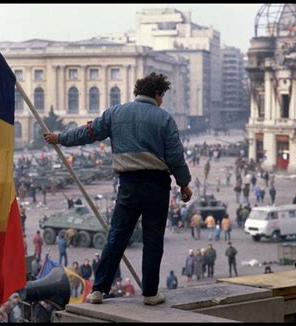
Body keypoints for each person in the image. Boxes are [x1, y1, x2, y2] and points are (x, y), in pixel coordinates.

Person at [44, 72, 192, 306]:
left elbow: (88, 133)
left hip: (129, 185)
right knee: (153, 240)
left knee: (116, 237)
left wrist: (60, 138)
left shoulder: (116, 113)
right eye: (162, 96)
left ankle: (98, 290)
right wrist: (184, 184)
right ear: (157, 94)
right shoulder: (164, 119)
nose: (162, 100)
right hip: (157, 186)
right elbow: (175, 156)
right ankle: (151, 294)